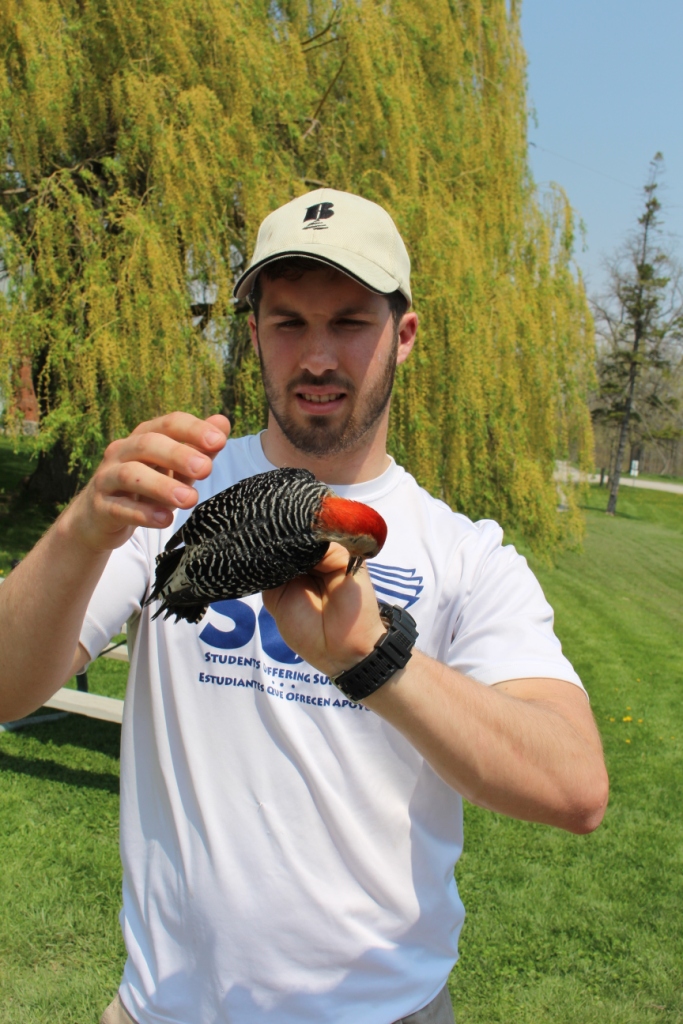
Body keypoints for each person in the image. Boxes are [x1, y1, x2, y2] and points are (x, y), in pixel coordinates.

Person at [0, 189, 608, 1024]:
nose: (316, 356)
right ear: (252, 334)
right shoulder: (169, 498)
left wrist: (373, 659)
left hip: (387, 1011)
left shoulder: (467, 553)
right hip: (163, 1009)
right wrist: (79, 529)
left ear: (403, 335)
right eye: (287, 322)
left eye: (350, 322)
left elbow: (574, 788)